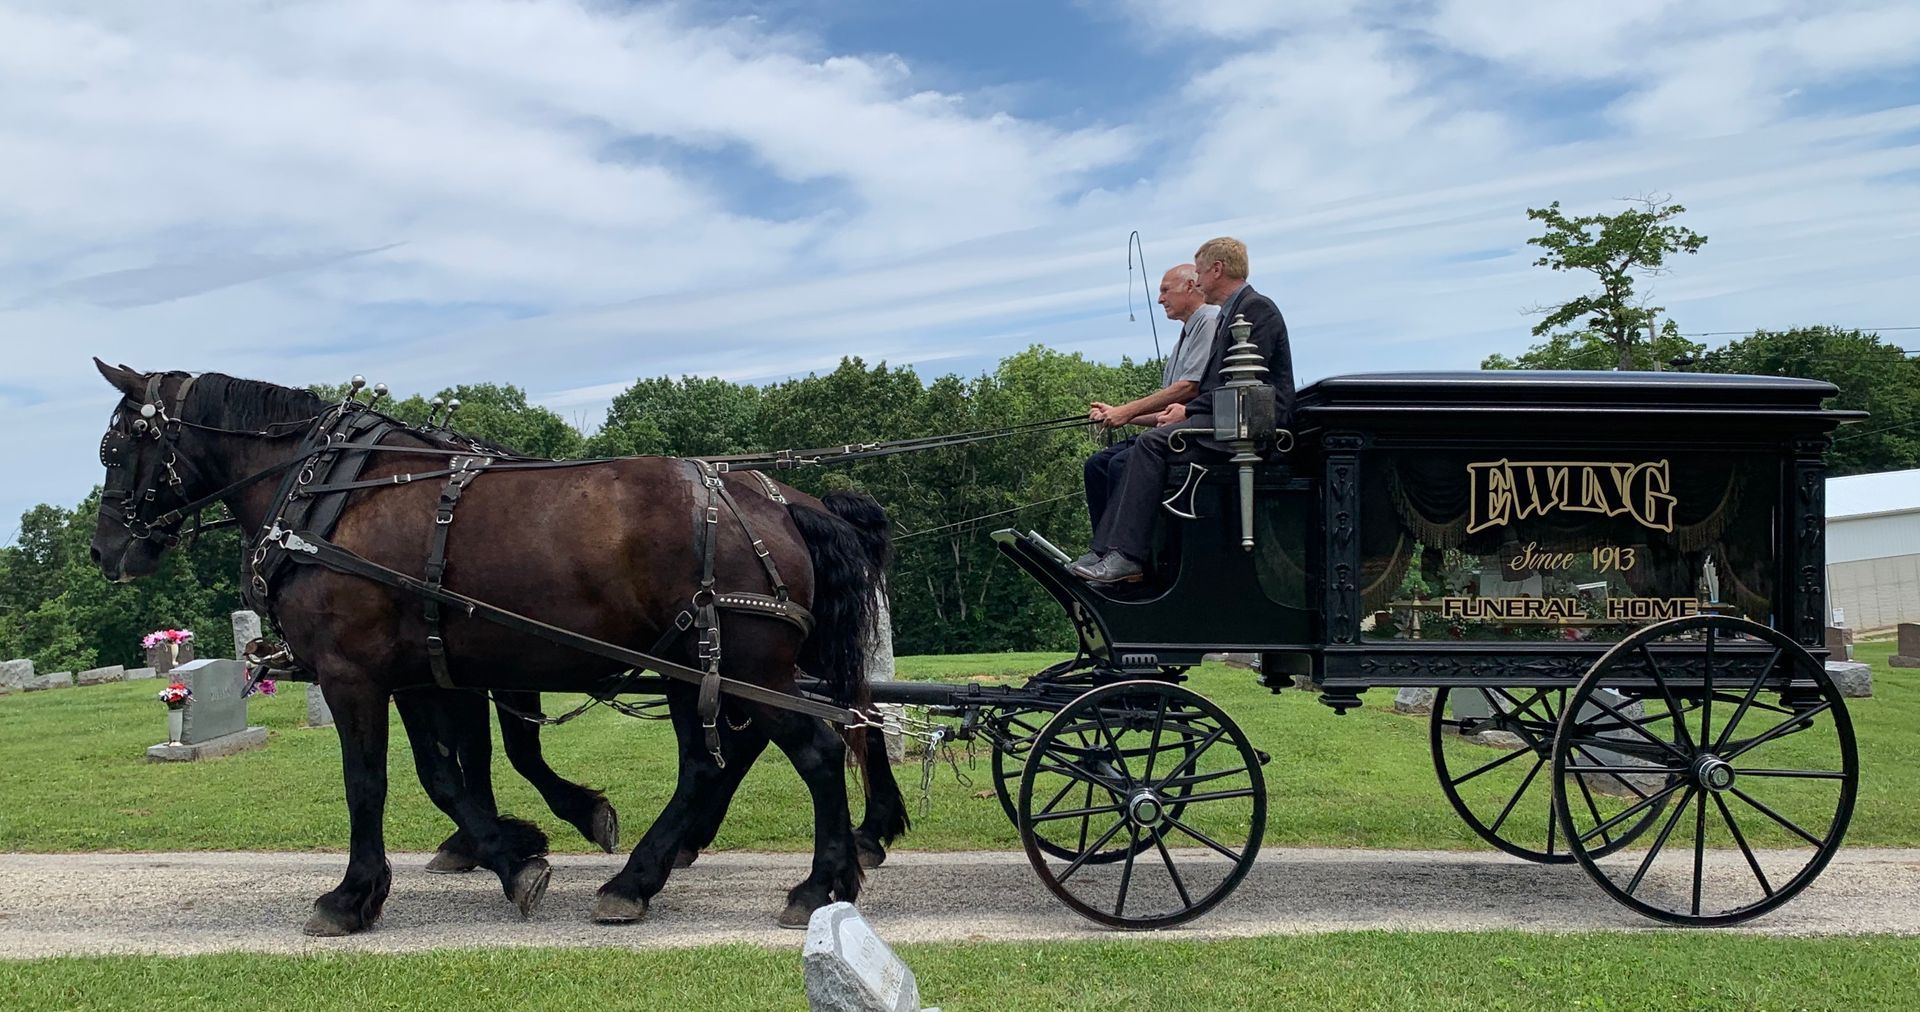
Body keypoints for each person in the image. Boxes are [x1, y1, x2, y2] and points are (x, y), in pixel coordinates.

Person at [1070, 237, 1294, 584]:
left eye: (1201, 272)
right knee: (1125, 454)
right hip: (1228, 420)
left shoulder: (1255, 309)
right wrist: (1186, 412)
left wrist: (1188, 414)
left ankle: (1128, 556)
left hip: (1252, 427)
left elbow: (1241, 385)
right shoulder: (1231, 313)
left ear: (1217, 269)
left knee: (1151, 444)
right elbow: (1218, 388)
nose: (1198, 280)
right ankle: (1108, 551)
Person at [1074, 265, 1220, 568]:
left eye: (1166, 290)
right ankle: (1102, 549)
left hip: (1195, 434)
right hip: (1173, 430)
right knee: (1097, 465)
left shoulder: (1207, 320)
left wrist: (1127, 410)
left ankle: (1128, 556)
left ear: (1191, 287)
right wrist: (1119, 415)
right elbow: (1164, 413)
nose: (1159, 299)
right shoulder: (1184, 337)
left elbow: (1188, 388)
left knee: (1119, 464)